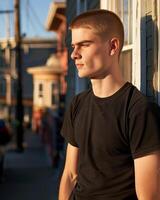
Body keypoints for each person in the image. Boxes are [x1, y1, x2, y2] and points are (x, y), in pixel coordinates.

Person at [59, 9, 160, 200]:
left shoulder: (137, 110)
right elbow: (70, 175)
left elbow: (149, 196)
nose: (74, 54)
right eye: (73, 46)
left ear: (112, 47)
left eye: (84, 45)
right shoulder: (78, 104)